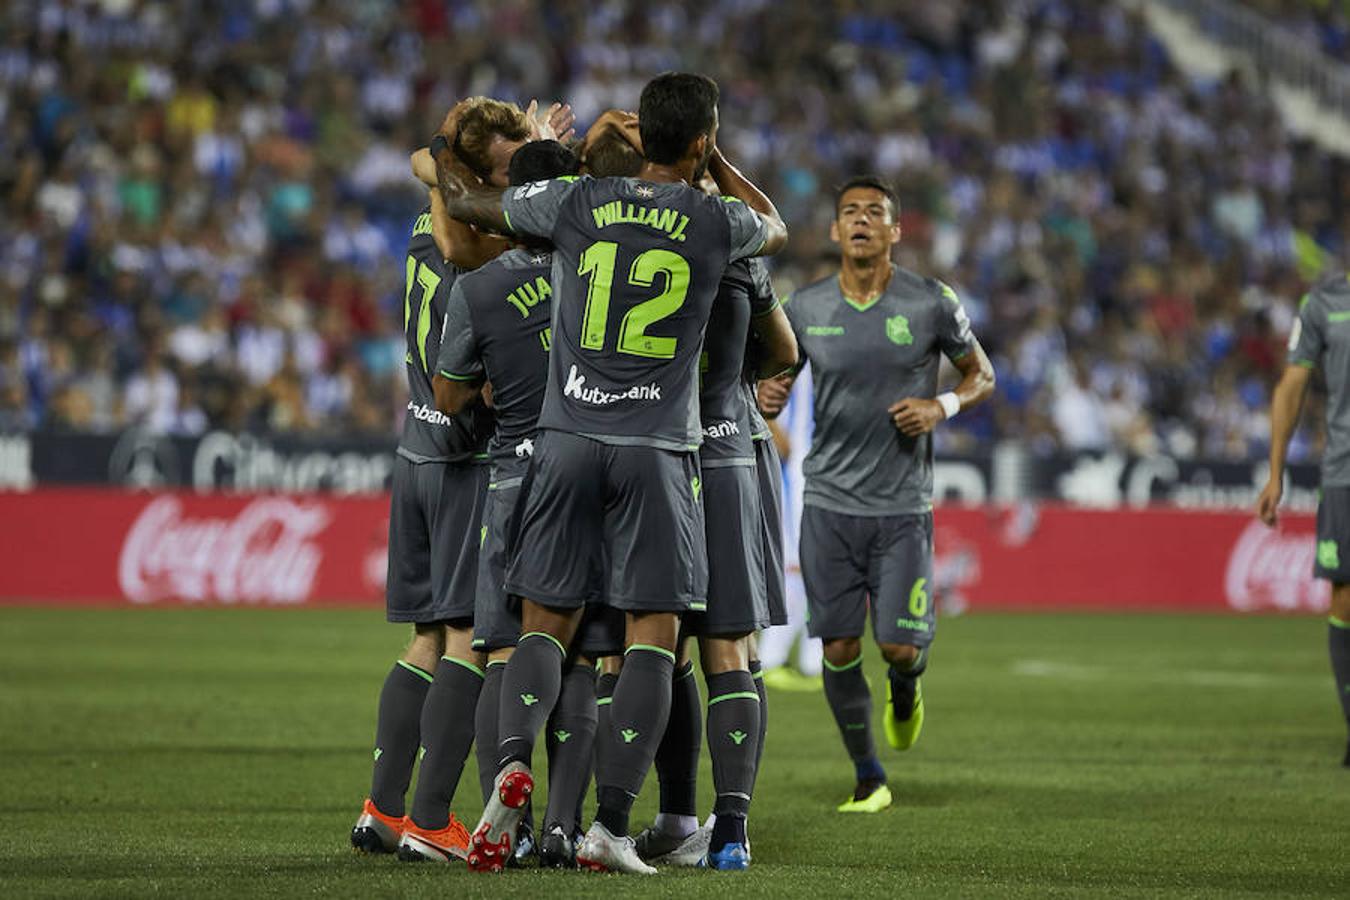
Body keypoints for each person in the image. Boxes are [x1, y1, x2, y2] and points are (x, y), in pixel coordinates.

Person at [433, 71, 788, 875]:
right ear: (698, 141)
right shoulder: (715, 218)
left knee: (543, 628)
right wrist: (718, 162)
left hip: (564, 438)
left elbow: (473, 209)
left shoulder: (574, 205)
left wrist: (441, 152)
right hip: (656, 448)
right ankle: (611, 829)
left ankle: (515, 758)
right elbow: (776, 225)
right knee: (653, 640)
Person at [352, 96, 569, 861]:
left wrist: (464, 152)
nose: (516, 182)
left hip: (414, 447)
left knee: (423, 640)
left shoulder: (424, 218)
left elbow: (428, 164)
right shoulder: (475, 240)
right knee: (469, 644)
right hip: (465, 460)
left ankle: (383, 810)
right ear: (474, 174)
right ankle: (433, 821)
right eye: (507, 169)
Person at [758, 175, 994, 813]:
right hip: (827, 503)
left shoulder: (931, 303)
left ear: (895, 231)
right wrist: (771, 397)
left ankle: (907, 686)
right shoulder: (804, 309)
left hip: (901, 507)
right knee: (835, 647)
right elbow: (774, 378)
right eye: (849, 213)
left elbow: (982, 374)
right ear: (836, 232)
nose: (860, 221)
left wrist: (941, 404)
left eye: (874, 213)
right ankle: (869, 776)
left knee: (899, 646)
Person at [432, 137, 627, 871]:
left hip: (515, 473)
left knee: (502, 654)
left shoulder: (478, 288)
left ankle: (501, 823)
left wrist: (488, 389)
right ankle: (559, 829)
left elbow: (448, 395)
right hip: (590, 468)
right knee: (577, 660)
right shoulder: (600, 272)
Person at [1258, 274, 1350, 767]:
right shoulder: (1325, 303)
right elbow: (1291, 385)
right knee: (1345, 596)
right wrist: (1276, 472)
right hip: (1344, 473)